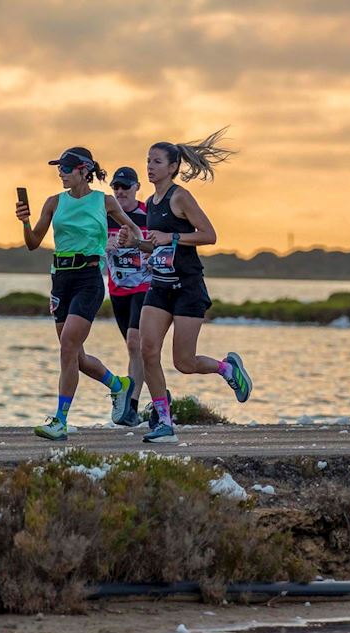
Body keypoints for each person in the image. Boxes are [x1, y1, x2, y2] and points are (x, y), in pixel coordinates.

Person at [16, 146, 142, 440]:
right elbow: (34, 242)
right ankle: (118, 385)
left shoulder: (105, 200)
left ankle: (59, 421)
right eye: (58, 169)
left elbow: (134, 230)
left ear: (84, 170)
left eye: (65, 169)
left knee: (67, 347)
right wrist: (24, 221)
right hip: (60, 279)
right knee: (76, 356)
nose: (60, 174)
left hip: (89, 277)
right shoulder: (53, 202)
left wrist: (126, 236)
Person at [136, 130, 252, 444]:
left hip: (188, 288)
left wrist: (172, 238)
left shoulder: (180, 196)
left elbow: (209, 235)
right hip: (160, 287)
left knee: (184, 363)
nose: (150, 166)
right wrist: (134, 243)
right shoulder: (151, 202)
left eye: (157, 161)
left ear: (172, 167)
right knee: (147, 350)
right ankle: (163, 420)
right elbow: (155, 246)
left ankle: (227, 369)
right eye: (148, 160)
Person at [104, 166, 150, 426]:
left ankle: (130, 404)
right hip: (117, 289)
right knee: (137, 350)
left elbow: (158, 244)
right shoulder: (105, 216)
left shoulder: (147, 214)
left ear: (136, 187)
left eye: (125, 187)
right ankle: (156, 398)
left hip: (145, 286)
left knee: (135, 343)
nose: (120, 191)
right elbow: (92, 245)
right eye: (116, 187)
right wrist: (104, 246)